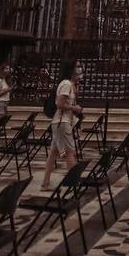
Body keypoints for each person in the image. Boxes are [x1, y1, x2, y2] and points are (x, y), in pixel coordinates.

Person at [41, 59, 84, 190]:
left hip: (62, 122)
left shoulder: (70, 84)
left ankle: (45, 183)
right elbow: (60, 104)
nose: (80, 69)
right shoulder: (65, 83)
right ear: (71, 68)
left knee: (54, 153)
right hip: (62, 122)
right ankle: (75, 183)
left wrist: (76, 86)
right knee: (70, 152)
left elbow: (68, 99)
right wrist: (74, 108)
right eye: (77, 66)